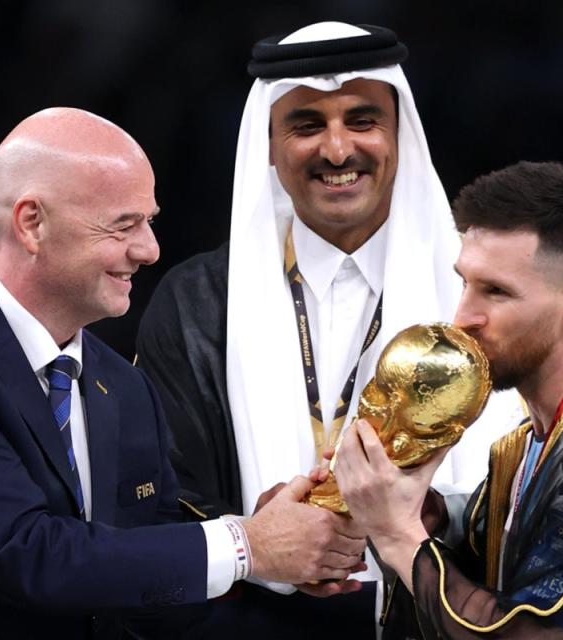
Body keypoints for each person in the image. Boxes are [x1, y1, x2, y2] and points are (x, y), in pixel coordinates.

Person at [0, 107, 367, 640]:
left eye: (149, 221)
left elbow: (149, 596)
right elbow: (26, 556)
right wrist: (248, 544)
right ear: (32, 223)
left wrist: (282, 558)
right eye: (123, 224)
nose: (149, 249)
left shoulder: (123, 386)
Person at [135, 22, 520, 637]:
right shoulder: (196, 301)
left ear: (401, 136)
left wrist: (435, 515)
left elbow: (534, 479)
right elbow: (153, 491)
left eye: (363, 120)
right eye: (307, 125)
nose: (337, 150)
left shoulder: (479, 294)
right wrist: (251, 536)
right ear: (267, 142)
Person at [333, 161, 563, 638]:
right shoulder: (538, 434)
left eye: (496, 291)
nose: (463, 317)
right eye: (465, 282)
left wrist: (397, 534)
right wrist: (422, 513)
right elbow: (492, 559)